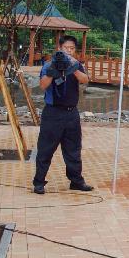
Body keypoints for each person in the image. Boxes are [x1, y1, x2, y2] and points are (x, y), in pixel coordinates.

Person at [33, 35, 93, 194]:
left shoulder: (77, 64)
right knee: (45, 148)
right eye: (66, 48)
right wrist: (54, 72)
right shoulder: (48, 65)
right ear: (59, 48)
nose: (69, 50)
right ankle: (39, 182)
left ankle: (76, 181)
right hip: (52, 113)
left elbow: (85, 80)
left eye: (72, 48)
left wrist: (72, 69)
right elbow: (42, 85)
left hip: (71, 113)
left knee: (73, 149)